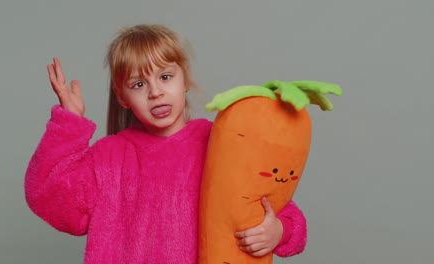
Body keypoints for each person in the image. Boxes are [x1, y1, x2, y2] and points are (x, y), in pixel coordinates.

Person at [24, 24, 307, 263]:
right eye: (138, 84)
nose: (156, 92)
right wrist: (69, 124)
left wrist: (280, 231)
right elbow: (50, 198)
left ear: (184, 79)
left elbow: (276, 203)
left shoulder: (221, 144)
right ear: (121, 97)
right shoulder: (108, 156)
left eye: (165, 77)